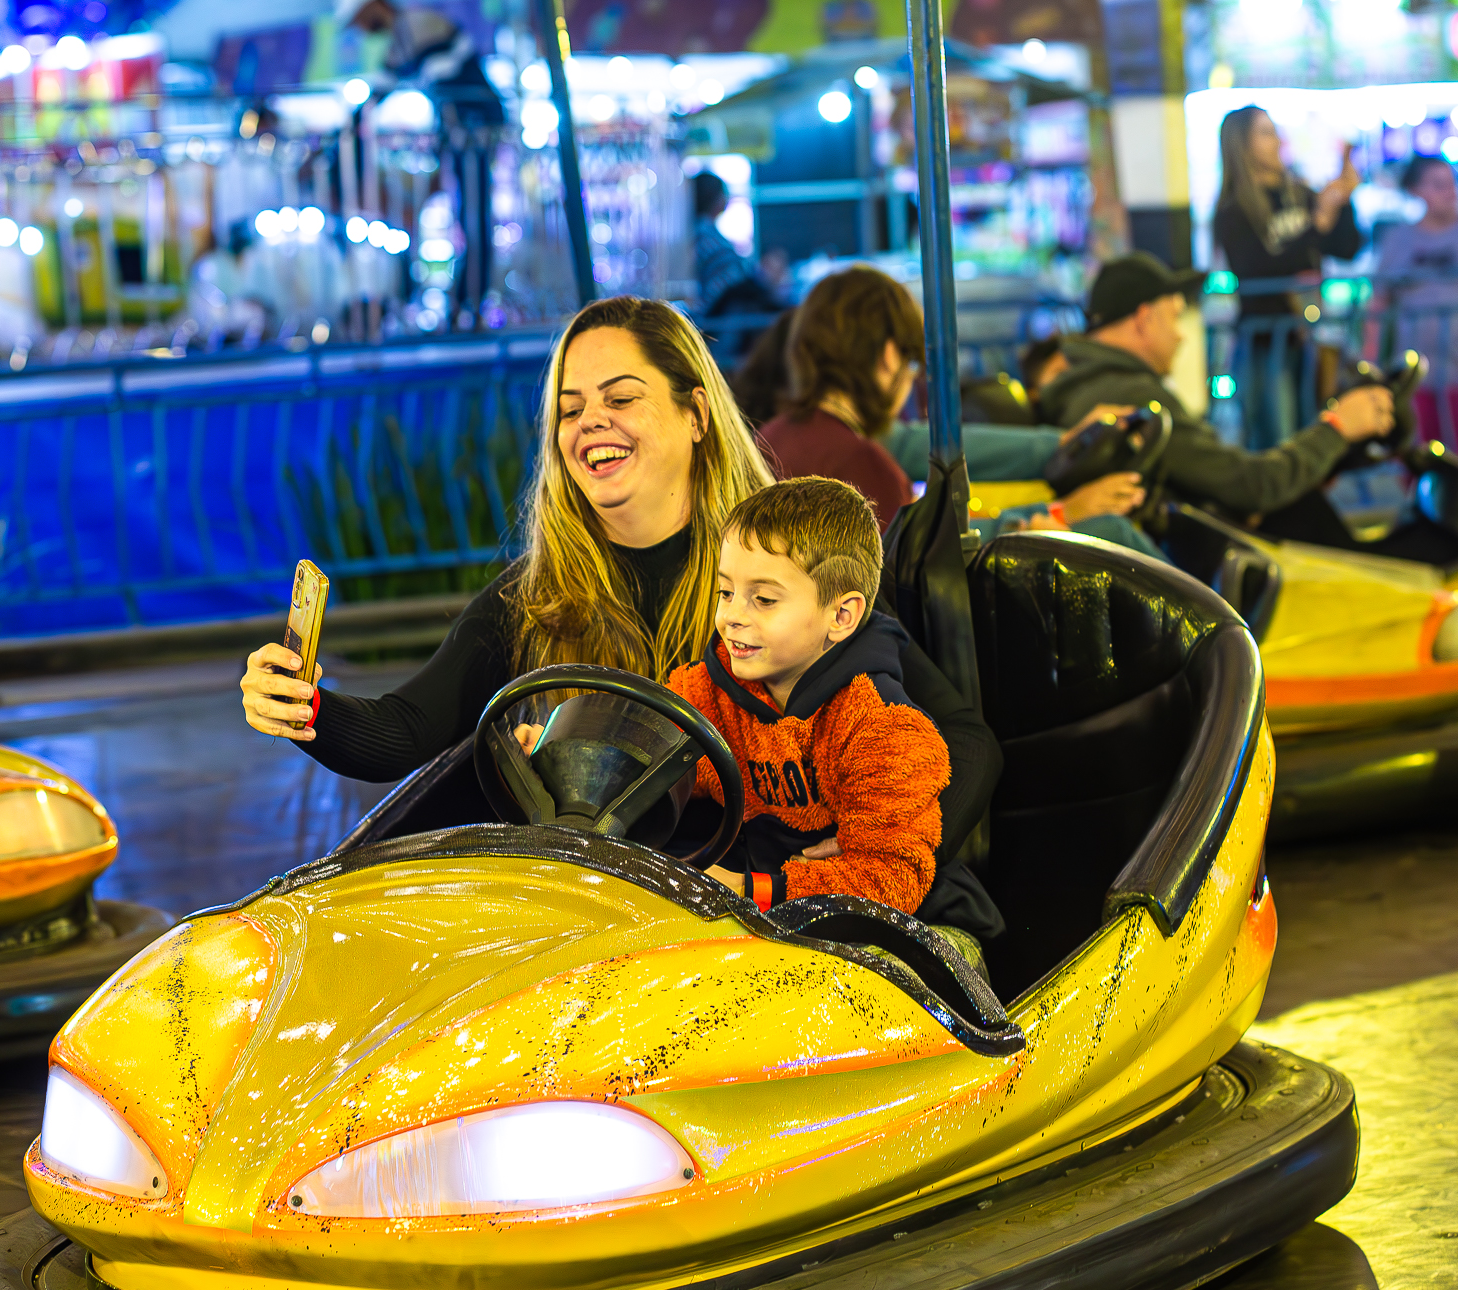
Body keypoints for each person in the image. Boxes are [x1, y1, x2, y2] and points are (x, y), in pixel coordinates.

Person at [239, 295, 1002, 934]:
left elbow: (963, 741)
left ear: (696, 413)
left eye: (621, 398)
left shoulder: (782, 576)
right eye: (570, 410)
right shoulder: (534, 596)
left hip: (763, 922)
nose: (590, 423)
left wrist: (857, 850)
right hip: (604, 923)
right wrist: (303, 706)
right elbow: (401, 731)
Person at [667, 477, 949, 923]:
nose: (732, 616)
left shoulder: (883, 728)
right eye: (726, 592)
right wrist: (561, 748)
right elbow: (645, 740)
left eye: (763, 599)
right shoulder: (711, 692)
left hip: (912, 931)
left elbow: (891, 877)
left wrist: (750, 889)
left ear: (840, 616)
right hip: (769, 920)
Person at [1038, 252, 1396, 549]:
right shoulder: (1131, 399)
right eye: (1175, 318)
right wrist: (1336, 428)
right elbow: (1251, 486)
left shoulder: (1087, 386)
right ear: (1144, 320)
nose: (1180, 337)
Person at [760, 265, 1146, 536]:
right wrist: (1062, 512)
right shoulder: (860, 462)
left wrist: (1060, 447)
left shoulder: (776, 436)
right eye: (912, 363)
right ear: (889, 357)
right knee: (1111, 530)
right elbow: (930, 556)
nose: (911, 380)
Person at [341, 0, 504, 326]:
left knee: (474, 217)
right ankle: (466, 302)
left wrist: (361, 114)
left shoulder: (416, 25)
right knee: (467, 217)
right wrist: (353, 120)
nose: (360, 29)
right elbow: (387, 81)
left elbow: (424, 71)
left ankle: (471, 303)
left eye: (360, 19)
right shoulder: (405, 32)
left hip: (474, 130)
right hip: (460, 133)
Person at [1213, 106, 1364, 448]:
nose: (1278, 141)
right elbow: (1254, 269)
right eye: (1265, 133)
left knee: (1314, 434)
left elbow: (1347, 247)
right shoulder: (1233, 210)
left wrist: (1342, 202)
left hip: (1308, 333)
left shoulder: (1299, 194)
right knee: (1278, 440)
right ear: (1242, 145)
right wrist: (1318, 223)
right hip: (1265, 337)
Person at [1373, 155, 1458, 458]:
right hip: (1413, 373)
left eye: (1451, 184)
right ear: (1416, 190)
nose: (1449, 193)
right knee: (1415, 453)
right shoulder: (1398, 240)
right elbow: (1379, 300)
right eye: (1438, 185)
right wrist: (1370, 359)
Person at [693, 171, 781, 322]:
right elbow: (733, 285)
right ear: (720, 200)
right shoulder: (708, 239)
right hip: (717, 328)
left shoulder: (694, 234)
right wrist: (764, 277)